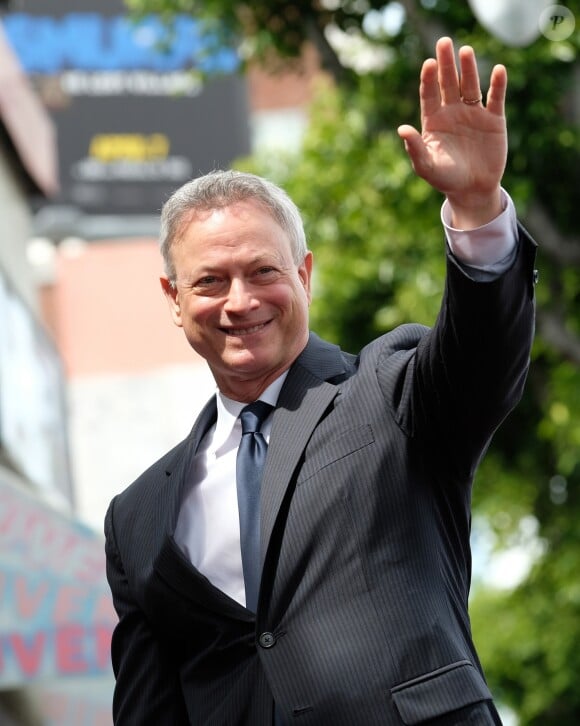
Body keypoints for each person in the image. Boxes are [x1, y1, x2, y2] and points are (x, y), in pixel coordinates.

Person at [104, 37, 537, 725]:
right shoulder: (136, 518)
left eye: (263, 272)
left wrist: (479, 209)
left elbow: (484, 357)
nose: (239, 301)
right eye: (211, 281)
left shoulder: (392, 393)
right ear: (175, 299)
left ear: (303, 276)